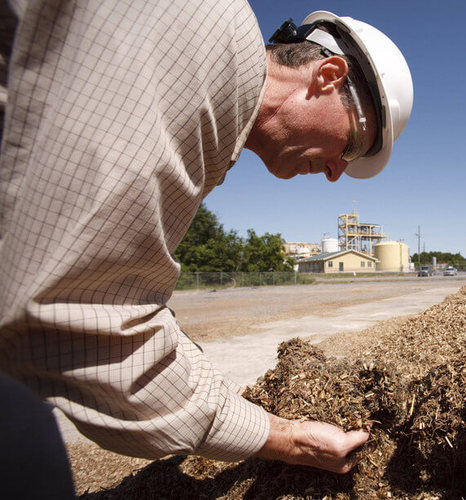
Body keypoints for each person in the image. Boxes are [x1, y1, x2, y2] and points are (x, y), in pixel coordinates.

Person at [0, 0, 413, 489]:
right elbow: (73, 311)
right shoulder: (203, 49)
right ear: (327, 75)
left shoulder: (204, 86)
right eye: (352, 146)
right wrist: (289, 440)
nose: (335, 172)